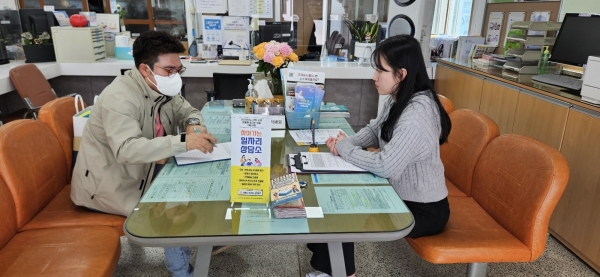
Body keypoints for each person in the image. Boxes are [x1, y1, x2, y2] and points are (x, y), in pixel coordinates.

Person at [70, 31, 218, 277]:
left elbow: (188, 110)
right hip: (111, 184)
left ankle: (202, 237)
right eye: (169, 70)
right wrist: (184, 141)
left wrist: (193, 124)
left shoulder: (160, 88)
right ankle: (181, 272)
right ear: (145, 69)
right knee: (173, 203)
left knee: (199, 180)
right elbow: (126, 149)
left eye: (178, 70)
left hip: (144, 170)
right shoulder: (119, 98)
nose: (175, 76)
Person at [305, 35, 452, 277]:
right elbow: (374, 130)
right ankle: (331, 269)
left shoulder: (418, 112)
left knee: (343, 208)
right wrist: (346, 142)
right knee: (332, 196)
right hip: (399, 193)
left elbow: (386, 166)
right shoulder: (401, 99)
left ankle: (343, 274)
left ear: (401, 74)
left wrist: (345, 149)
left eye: (380, 70)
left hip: (424, 210)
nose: (374, 77)